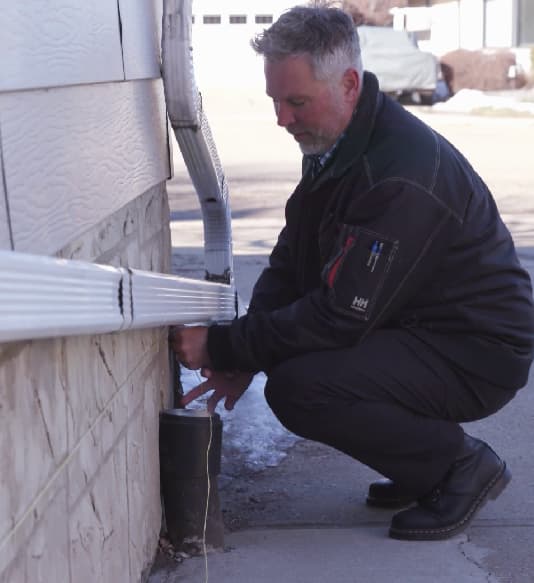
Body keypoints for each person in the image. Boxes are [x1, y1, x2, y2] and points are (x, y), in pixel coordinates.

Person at [172, 4, 534, 541]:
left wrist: (228, 347)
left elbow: (339, 317)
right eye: (276, 101)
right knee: (296, 362)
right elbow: (293, 259)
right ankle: (422, 467)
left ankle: (459, 467)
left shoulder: (398, 176)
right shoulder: (338, 142)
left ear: (348, 83)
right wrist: (243, 356)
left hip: (477, 351)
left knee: (300, 387)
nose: (282, 119)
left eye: (296, 102)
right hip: (415, 325)